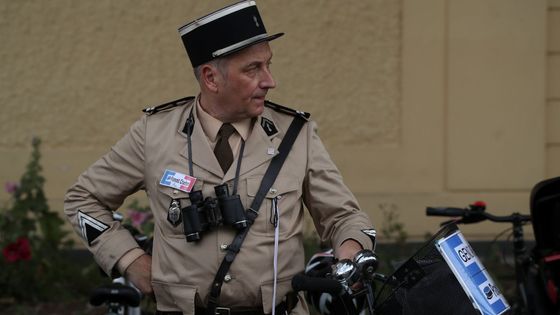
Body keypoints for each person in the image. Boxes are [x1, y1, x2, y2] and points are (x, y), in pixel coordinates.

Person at [64, 1, 374, 314]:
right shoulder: (154, 134)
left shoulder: (296, 135)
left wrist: (350, 255)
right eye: (253, 69)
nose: (270, 80)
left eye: (268, 64)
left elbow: (343, 216)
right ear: (212, 78)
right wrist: (129, 259)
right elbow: (83, 199)